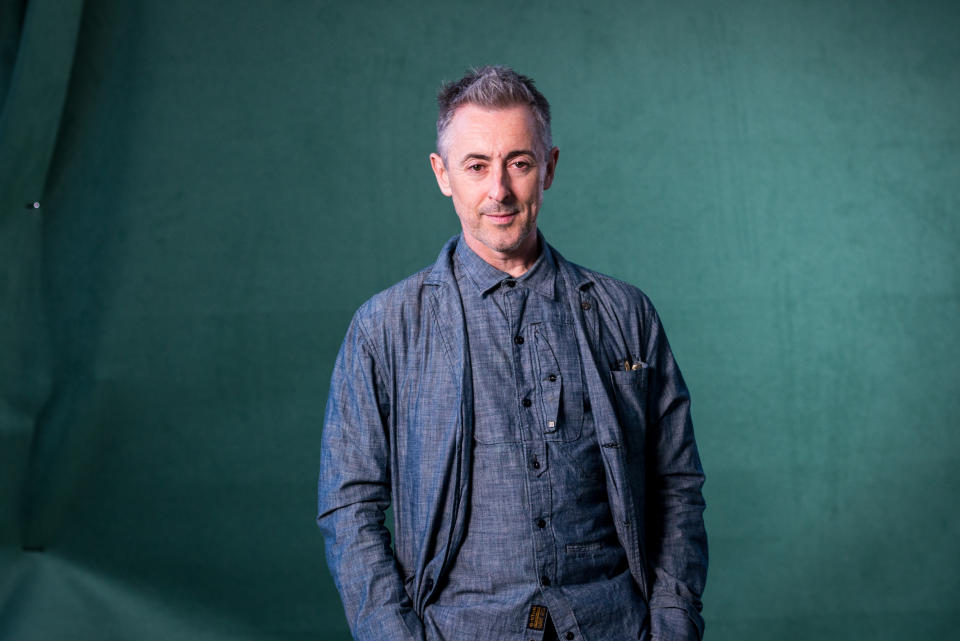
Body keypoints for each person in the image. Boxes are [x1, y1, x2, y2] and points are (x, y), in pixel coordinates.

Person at [317, 65, 707, 641]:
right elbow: (349, 506)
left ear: (548, 168)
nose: (498, 190)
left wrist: (673, 625)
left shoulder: (627, 314)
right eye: (476, 166)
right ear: (442, 173)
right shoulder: (385, 328)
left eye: (519, 163)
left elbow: (676, 483)